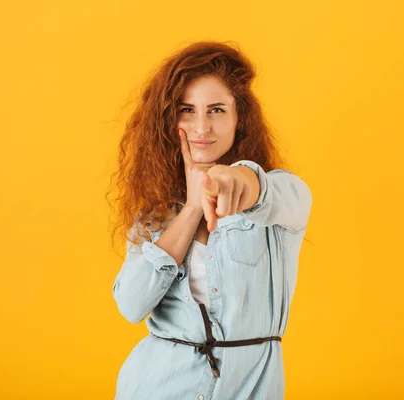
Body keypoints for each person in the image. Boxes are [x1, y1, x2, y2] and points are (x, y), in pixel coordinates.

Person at [108, 40, 313, 400]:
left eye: (216, 110)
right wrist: (191, 208)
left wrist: (238, 178)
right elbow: (131, 306)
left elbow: (266, 191)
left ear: (239, 119)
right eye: (187, 109)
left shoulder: (281, 197)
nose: (202, 126)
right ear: (171, 120)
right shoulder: (155, 218)